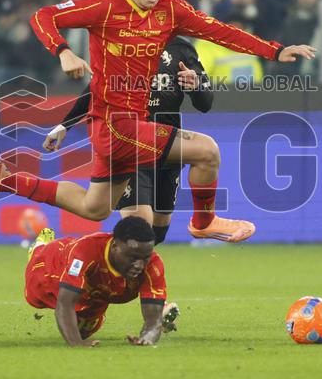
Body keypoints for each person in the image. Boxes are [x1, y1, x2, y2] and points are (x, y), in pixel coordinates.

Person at [0, 0, 315, 242]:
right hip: (114, 125)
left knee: (95, 207)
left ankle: (4, 179)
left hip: (123, 127)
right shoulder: (105, 9)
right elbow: (43, 15)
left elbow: (218, 31)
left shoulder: (170, 11)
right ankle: (204, 223)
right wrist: (63, 51)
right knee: (207, 152)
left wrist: (274, 50)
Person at [43, 37, 213, 245]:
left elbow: (205, 103)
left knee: (156, 235)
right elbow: (97, 89)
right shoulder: (123, 43)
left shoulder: (181, 48)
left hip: (168, 148)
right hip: (130, 146)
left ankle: (107, 264)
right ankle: (78, 256)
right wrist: (65, 125)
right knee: (139, 230)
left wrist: (195, 86)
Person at [24, 216, 177, 347]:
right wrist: (77, 345)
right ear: (115, 246)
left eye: (145, 258)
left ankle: (160, 304)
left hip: (97, 294)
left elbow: (153, 322)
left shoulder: (153, 265)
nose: (139, 265)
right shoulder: (85, 251)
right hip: (53, 268)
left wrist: (146, 339)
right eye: (133, 258)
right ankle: (39, 248)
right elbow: (65, 303)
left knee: (84, 331)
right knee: (35, 296)